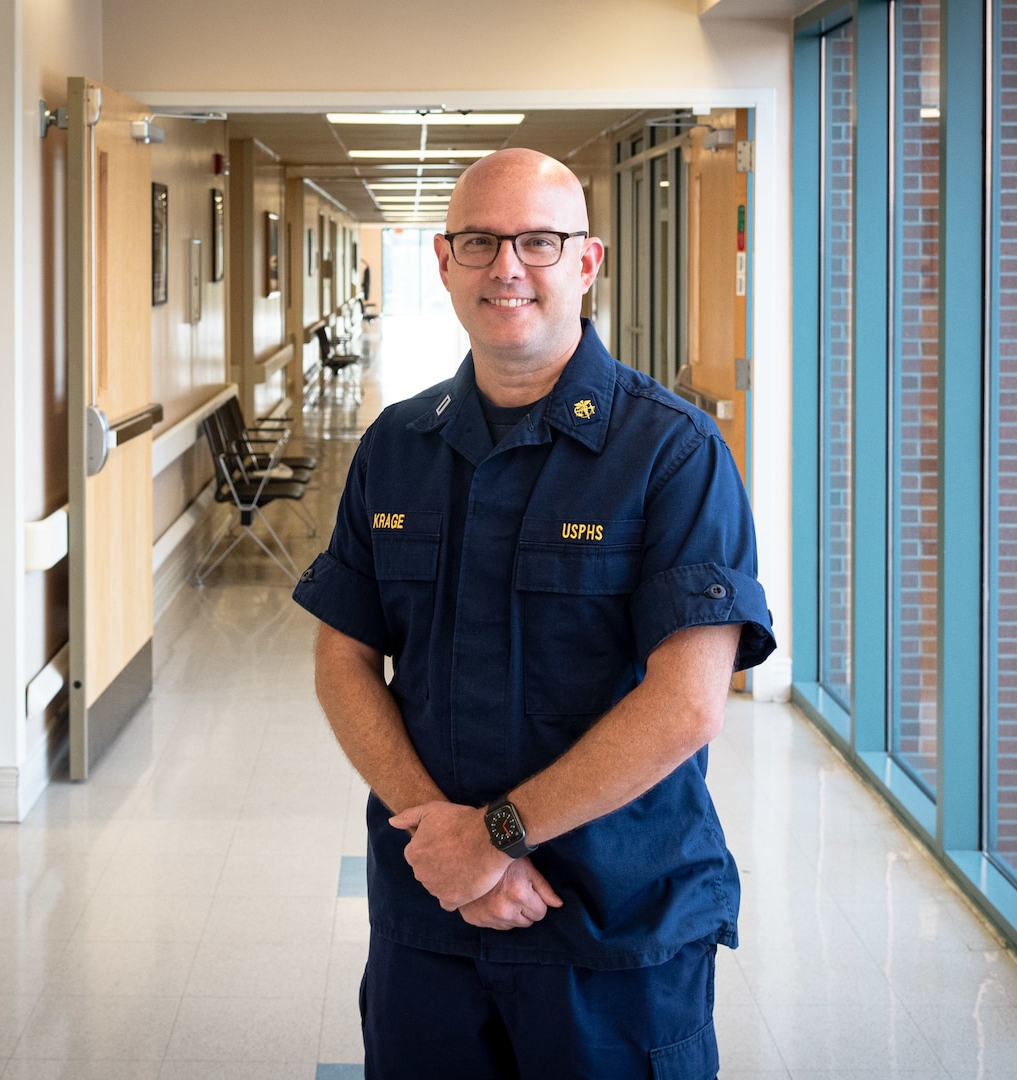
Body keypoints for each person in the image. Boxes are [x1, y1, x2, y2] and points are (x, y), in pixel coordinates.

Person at [292, 147, 774, 1080]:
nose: (507, 267)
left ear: (586, 263)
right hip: (430, 922)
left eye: (538, 242)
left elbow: (688, 705)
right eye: (479, 242)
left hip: (614, 931)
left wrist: (496, 837)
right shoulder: (397, 446)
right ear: (443, 262)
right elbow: (341, 660)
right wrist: (450, 842)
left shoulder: (672, 455)